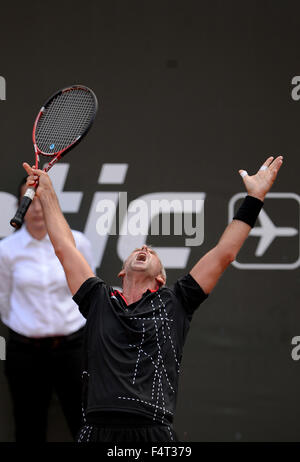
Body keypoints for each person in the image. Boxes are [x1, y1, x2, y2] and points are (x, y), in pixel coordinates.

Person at [22, 155, 283, 442]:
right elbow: (63, 247)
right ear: (122, 271)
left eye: (153, 253)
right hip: (97, 429)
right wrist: (46, 193)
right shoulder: (98, 299)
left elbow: (224, 253)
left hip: (153, 432)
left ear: (161, 278)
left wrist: (255, 198)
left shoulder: (177, 302)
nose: (144, 247)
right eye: (138, 249)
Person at [0, 177, 95, 442]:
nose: (37, 209)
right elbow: (3, 298)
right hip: (26, 352)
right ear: (21, 205)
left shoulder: (78, 242)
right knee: (28, 426)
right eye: (30, 201)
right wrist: (28, 325)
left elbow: (88, 291)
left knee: (86, 425)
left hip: (74, 349)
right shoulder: (6, 251)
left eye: (43, 201)